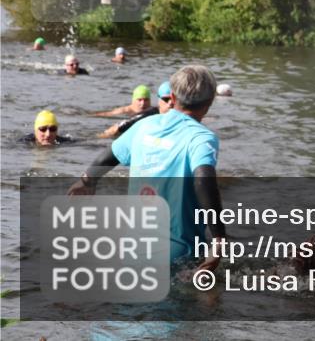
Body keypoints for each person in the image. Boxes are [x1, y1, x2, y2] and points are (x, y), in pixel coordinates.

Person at [68, 66, 227, 270]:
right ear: (210, 101)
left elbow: (106, 157)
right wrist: (219, 238)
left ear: (171, 96)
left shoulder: (144, 125)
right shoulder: (201, 138)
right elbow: (203, 178)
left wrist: (87, 181)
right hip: (177, 254)